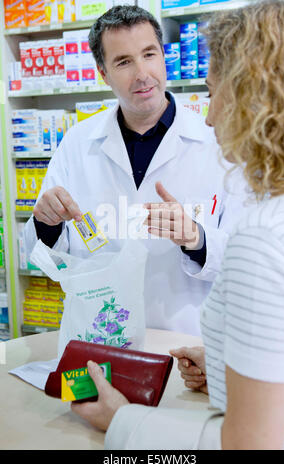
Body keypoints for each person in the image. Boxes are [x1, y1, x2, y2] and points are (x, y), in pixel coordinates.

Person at [71, 0, 284, 450]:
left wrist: (121, 420)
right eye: (122, 60)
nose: (209, 115)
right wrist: (225, 366)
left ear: (254, 97)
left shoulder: (265, 234)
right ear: (103, 72)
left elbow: (250, 444)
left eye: (215, 93)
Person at [23, 5, 247, 337]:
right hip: (99, 338)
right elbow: (44, 257)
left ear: (163, 56)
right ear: (103, 72)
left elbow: (245, 260)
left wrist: (197, 238)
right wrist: (45, 222)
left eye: (149, 54)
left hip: (186, 342)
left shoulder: (218, 142)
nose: (142, 73)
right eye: (124, 62)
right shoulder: (77, 143)